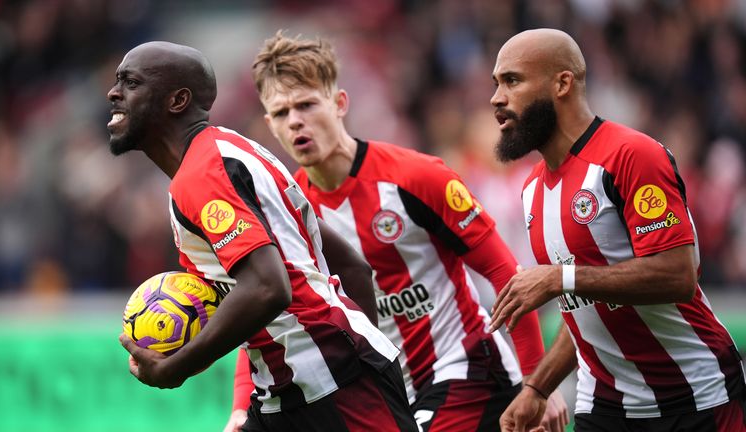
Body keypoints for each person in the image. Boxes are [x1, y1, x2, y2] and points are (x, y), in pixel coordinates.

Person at [224, 31, 569, 432]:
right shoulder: (288, 213)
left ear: (339, 104)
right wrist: (238, 410)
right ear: (269, 125)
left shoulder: (416, 177)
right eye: (282, 113)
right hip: (388, 394)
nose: (296, 121)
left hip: (466, 372)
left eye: (306, 104)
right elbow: (268, 318)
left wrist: (536, 385)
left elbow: (507, 275)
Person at [108, 41, 419, 432]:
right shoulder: (233, 153)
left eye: (130, 82)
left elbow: (268, 287)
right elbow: (348, 265)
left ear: (177, 100)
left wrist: (176, 367)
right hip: (295, 388)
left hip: (335, 388)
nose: (113, 92)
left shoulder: (204, 172)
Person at [487, 28, 746, 432]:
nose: (497, 99)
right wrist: (536, 390)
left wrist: (560, 278)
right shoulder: (532, 190)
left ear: (562, 83)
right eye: (496, 84)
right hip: (605, 409)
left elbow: (677, 275)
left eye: (512, 80)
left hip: (693, 399)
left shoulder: (631, 155)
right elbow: (586, 312)